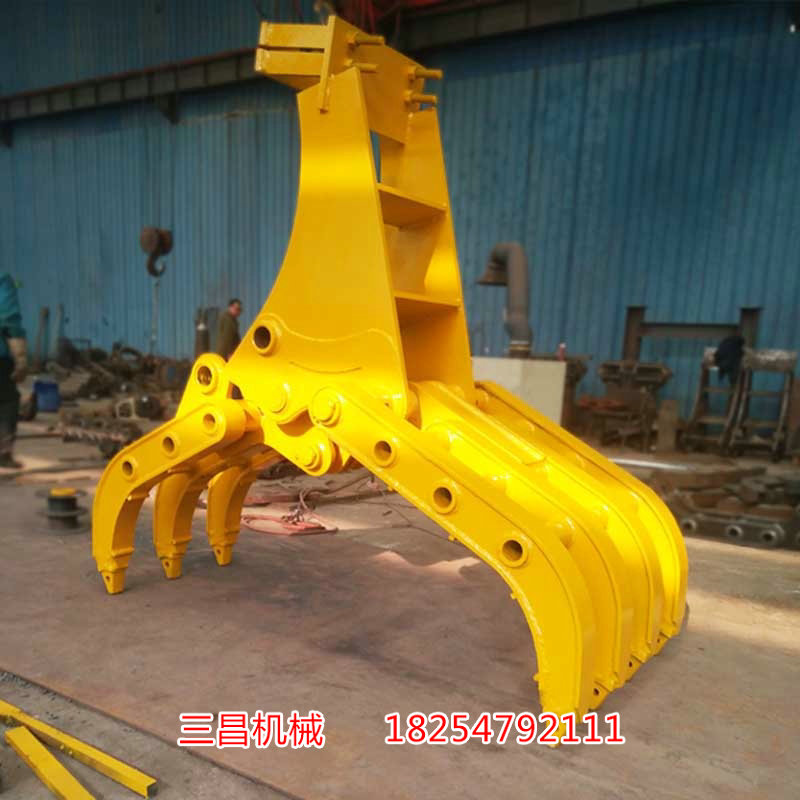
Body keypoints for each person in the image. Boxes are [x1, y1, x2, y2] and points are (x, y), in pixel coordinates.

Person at [0, 274, 27, 469]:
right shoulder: (2, 280)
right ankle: (3, 452)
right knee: (7, 400)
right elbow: (9, 319)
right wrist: (20, 356)